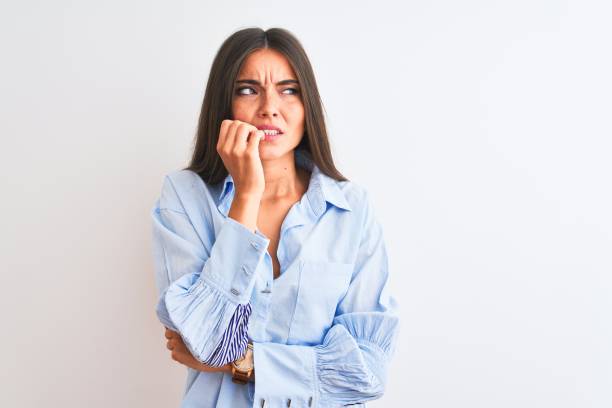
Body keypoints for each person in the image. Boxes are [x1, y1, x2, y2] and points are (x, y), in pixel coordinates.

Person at [150, 27, 400, 408]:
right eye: (248, 89)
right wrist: (247, 195)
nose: (270, 107)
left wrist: (247, 362)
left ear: (306, 106)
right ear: (225, 105)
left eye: (289, 90)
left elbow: (366, 372)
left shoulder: (352, 209)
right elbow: (209, 341)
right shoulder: (184, 197)